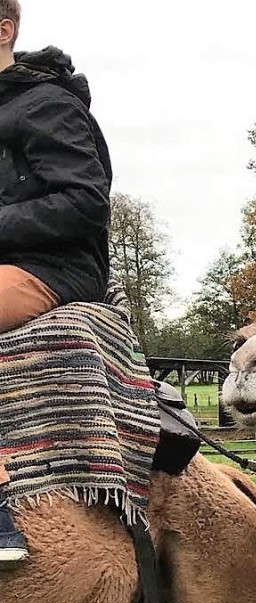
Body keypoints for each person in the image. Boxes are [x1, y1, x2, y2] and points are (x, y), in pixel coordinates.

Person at [0, 0, 113, 565]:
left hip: (54, 269)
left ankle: (1, 512)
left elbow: (86, 201)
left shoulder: (46, 104)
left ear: (5, 29)